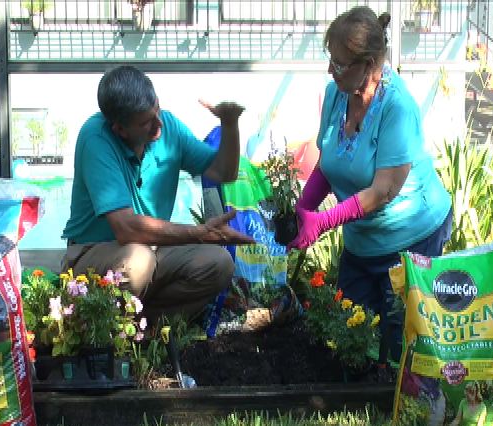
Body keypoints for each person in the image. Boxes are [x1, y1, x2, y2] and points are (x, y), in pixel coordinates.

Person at [288, 7, 453, 379]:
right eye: (330, 60)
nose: (331, 71)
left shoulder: (397, 108)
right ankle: (356, 408)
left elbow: (383, 191)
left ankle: (398, 417)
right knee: (350, 334)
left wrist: (323, 222)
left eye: (341, 64)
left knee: (398, 344)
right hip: (363, 241)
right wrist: (301, 211)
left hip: (414, 235)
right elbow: (330, 163)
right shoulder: (335, 95)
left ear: (369, 65)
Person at [62, 66, 254, 323]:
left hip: (149, 251)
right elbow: (126, 228)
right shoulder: (96, 138)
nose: (158, 124)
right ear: (120, 129)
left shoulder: (169, 128)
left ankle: (145, 328)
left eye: (157, 110)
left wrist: (229, 125)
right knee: (137, 262)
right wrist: (198, 233)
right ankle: (101, 330)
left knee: (218, 264)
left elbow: (222, 171)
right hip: (92, 254)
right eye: (146, 122)